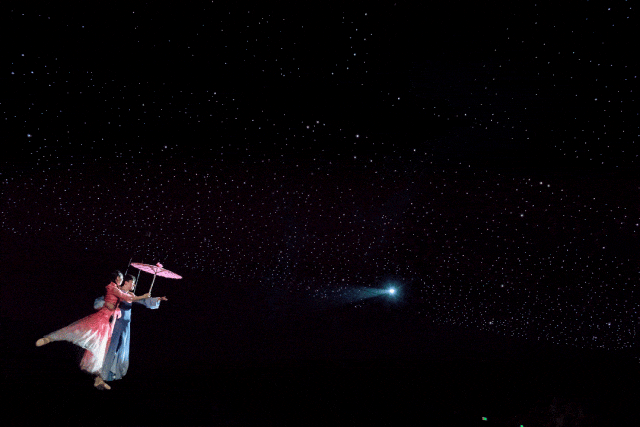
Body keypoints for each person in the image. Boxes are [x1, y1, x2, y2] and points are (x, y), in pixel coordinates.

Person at [36, 271, 151, 390]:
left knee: (101, 350)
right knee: (80, 330)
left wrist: (136, 297)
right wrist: (142, 296)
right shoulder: (113, 288)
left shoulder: (118, 289)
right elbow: (124, 297)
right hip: (103, 318)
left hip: (109, 323)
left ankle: (98, 379)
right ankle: (49, 338)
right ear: (118, 278)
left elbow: (125, 297)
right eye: (122, 279)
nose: (122, 281)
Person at [96, 274, 167, 386]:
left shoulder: (130, 295)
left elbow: (143, 301)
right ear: (126, 282)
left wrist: (158, 299)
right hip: (117, 324)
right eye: (133, 283)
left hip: (125, 325)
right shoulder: (119, 292)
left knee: (121, 348)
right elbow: (103, 300)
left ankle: (111, 373)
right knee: (111, 347)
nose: (134, 285)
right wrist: (106, 304)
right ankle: (102, 374)